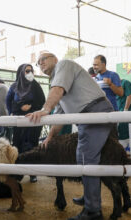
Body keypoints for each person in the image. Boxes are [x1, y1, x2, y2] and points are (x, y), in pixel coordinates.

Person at [28, 52, 114, 220]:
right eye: (38, 63)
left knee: (86, 158)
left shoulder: (64, 65)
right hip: (85, 119)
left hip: (94, 111)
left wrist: (45, 109)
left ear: (55, 58)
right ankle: (90, 196)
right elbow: (60, 114)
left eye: (44, 59)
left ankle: (93, 211)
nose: (41, 63)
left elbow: (57, 92)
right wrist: (50, 136)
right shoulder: (56, 81)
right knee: (83, 158)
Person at [6, 64, 45, 183]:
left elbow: (42, 100)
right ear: (21, 72)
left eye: (31, 71)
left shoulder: (35, 85)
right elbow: (8, 102)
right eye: (27, 71)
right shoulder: (14, 87)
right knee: (17, 145)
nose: (30, 73)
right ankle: (18, 173)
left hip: (33, 122)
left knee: (32, 145)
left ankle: (33, 173)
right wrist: (18, 108)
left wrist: (31, 106)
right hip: (19, 123)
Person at [116, 79, 131, 153]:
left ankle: (126, 149)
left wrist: (125, 110)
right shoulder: (114, 87)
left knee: (124, 130)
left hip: (128, 111)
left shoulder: (126, 83)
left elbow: (129, 96)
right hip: (120, 112)